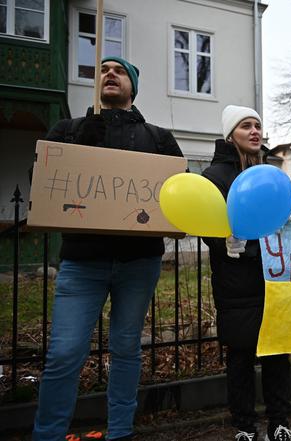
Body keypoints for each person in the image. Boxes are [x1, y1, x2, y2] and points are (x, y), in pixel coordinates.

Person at [32, 57, 184, 441]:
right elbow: (46, 181)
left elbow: (179, 192)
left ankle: (120, 431)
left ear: (132, 86)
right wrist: (84, 138)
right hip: (82, 263)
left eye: (118, 71)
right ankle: (47, 434)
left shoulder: (158, 137)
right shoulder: (67, 130)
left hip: (138, 263)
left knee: (126, 348)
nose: (109, 74)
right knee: (65, 353)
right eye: (102, 70)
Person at [202, 105, 291, 441]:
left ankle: (279, 420)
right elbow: (204, 220)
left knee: (277, 352)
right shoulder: (215, 177)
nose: (255, 131)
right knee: (240, 356)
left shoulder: (272, 174)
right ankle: (244, 424)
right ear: (231, 134)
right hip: (235, 281)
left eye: (258, 125)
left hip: (273, 279)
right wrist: (222, 242)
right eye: (246, 126)